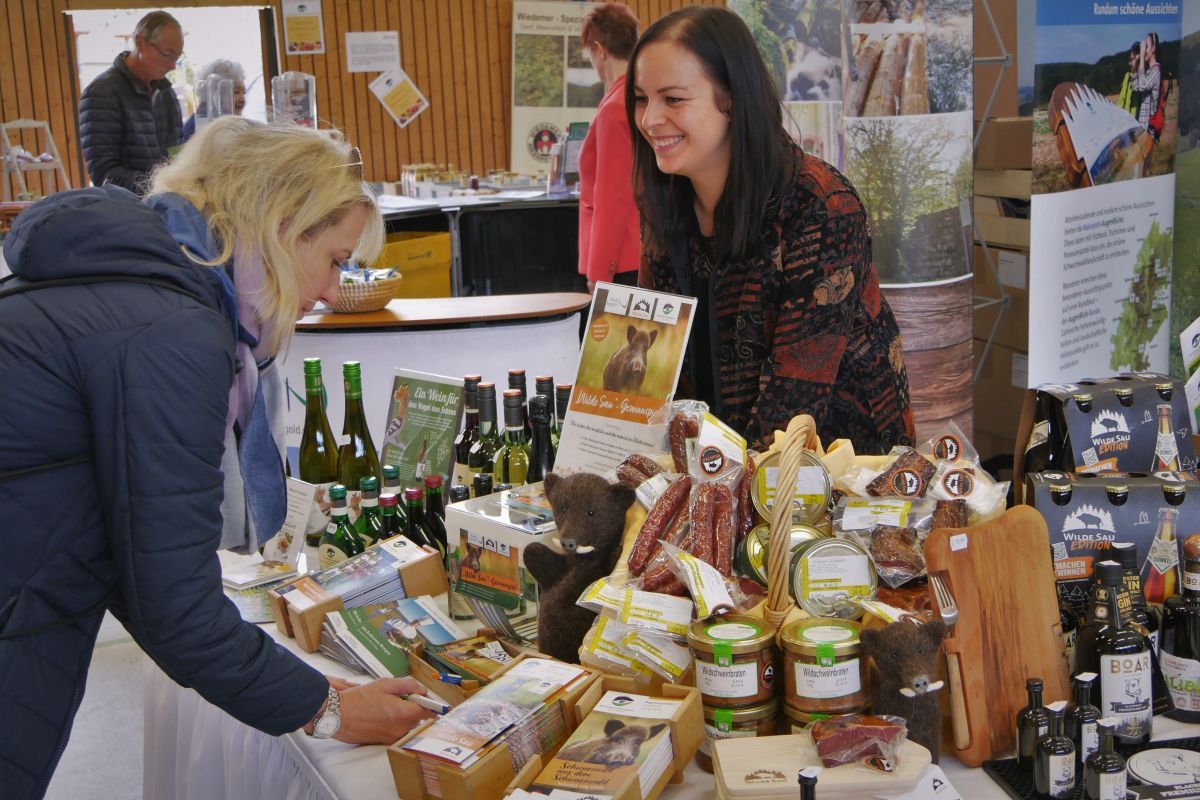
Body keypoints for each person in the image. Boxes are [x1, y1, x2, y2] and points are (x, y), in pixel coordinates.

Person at [0, 118, 435, 799]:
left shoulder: (139, 285)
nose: (328, 290)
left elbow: (136, 563)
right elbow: (175, 609)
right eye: (335, 260)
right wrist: (330, 709)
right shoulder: (172, 329)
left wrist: (313, 693)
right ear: (285, 227)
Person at [628, 6, 914, 453]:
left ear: (733, 99)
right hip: (715, 467)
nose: (649, 119)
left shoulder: (821, 207)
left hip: (838, 478)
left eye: (674, 99)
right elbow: (651, 360)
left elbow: (792, 411)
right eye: (641, 99)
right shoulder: (665, 201)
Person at [78, 11, 184, 193]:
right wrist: (161, 185)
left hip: (166, 201)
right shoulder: (102, 93)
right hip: (129, 211)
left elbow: (176, 152)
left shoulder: (166, 93)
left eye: (177, 57)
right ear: (140, 42)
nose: (172, 65)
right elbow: (104, 174)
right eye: (167, 54)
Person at [577, 3, 641, 290]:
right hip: (641, 252)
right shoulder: (639, 96)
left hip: (622, 260)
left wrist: (599, 272)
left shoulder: (614, 109)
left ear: (600, 50)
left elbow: (611, 199)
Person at [182, 58, 247, 141]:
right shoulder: (202, 123)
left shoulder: (226, 119)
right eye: (236, 92)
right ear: (215, 93)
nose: (242, 99)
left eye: (244, 92)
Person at [1132, 32, 1163, 139]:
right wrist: (1135, 67)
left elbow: (1142, 85)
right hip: (1143, 128)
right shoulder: (1148, 71)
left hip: (1149, 131)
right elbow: (1136, 87)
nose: (1144, 50)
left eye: (1146, 46)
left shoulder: (1156, 71)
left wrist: (1141, 57)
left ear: (1153, 48)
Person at [1117, 42, 1142, 117]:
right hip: (1126, 119)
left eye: (1131, 60)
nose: (1129, 63)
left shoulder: (1143, 78)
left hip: (1137, 120)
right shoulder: (1127, 76)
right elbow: (1122, 97)